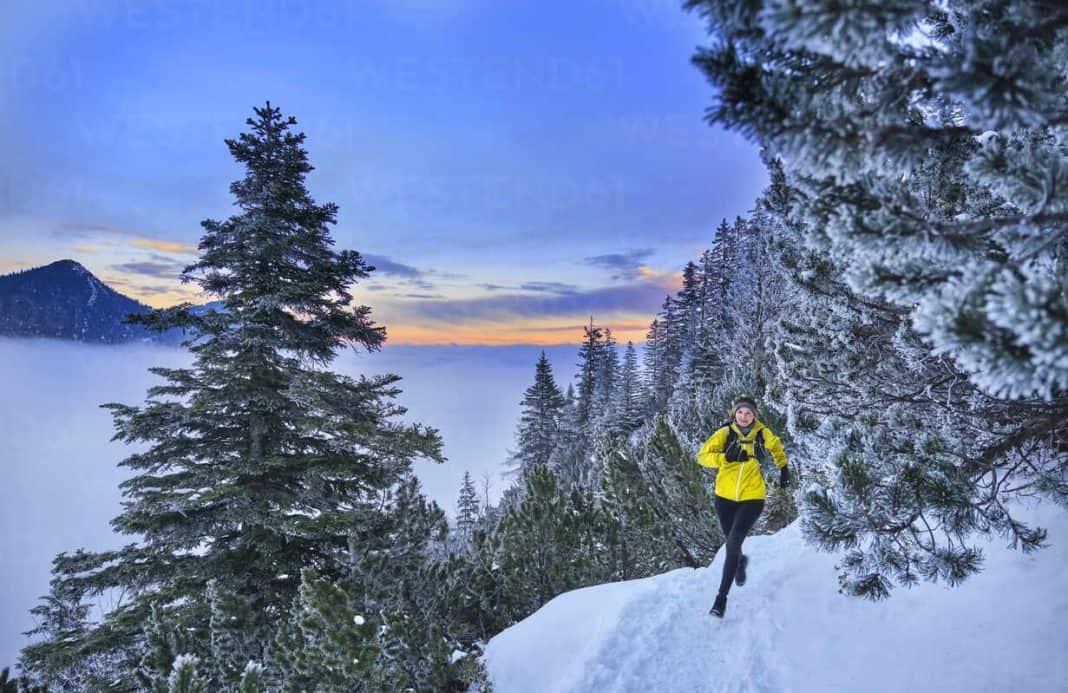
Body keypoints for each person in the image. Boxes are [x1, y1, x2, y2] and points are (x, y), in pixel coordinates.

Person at [696, 395, 791, 618]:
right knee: (731, 543)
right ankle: (739, 561)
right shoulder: (725, 433)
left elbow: (776, 446)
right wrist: (723, 458)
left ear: (754, 415)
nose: (744, 416)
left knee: (734, 541)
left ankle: (720, 600)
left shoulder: (761, 433)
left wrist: (783, 468)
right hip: (724, 498)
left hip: (752, 497)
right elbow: (702, 456)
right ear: (734, 414)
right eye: (740, 412)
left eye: (748, 413)